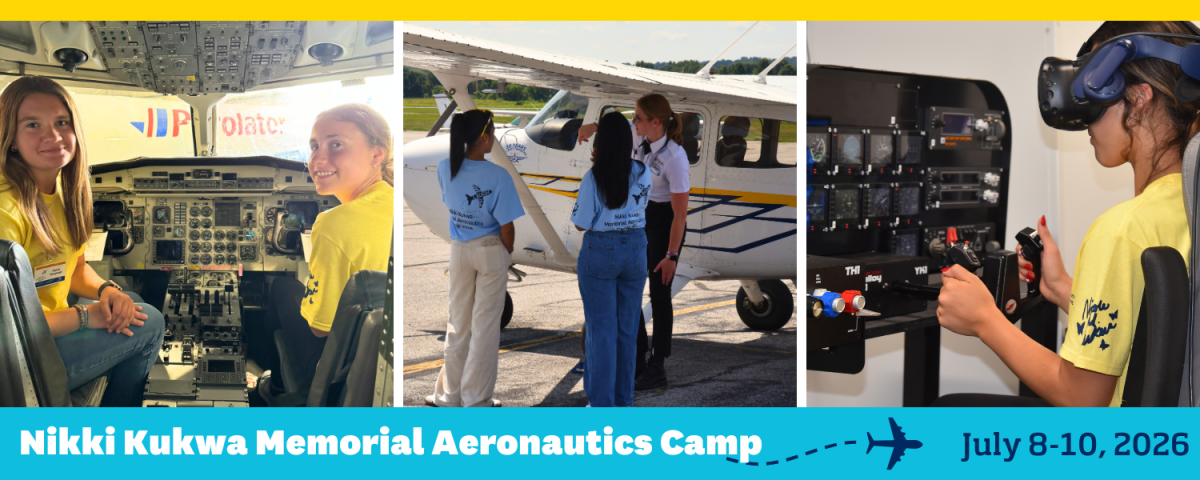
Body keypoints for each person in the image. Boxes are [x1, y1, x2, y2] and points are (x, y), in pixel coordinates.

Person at [935, 21, 1196, 407]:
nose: (1084, 122)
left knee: (947, 413)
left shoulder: (1122, 230)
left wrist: (984, 321)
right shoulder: (1189, 205)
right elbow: (1157, 330)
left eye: (1093, 100)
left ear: (1140, 98)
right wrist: (1062, 289)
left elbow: (1081, 397)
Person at [0, 75, 163, 407]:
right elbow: (10, 329)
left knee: (128, 299)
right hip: (19, 361)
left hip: (44, 329)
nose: (54, 136)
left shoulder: (64, 189)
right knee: (151, 323)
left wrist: (108, 292)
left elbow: (74, 269)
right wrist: (87, 317)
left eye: (62, 122)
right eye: (33, 124)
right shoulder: (6, 209)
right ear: (10, 138)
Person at [259, 103, 395, 403]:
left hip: (341, 372)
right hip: (376, 364)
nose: (318, 158)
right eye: (314, 146)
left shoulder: (334, 223)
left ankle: (279, 388)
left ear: (377, 154)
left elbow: (319, 328)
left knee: (282, 288)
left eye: (336, 145)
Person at [578, 94, 690, 390]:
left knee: (660, 293)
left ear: (655, 122)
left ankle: (658, 364)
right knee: (633, 292)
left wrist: (672, 255)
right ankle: (636, 358)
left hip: (666, 222)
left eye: (637, 117)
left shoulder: (676, 158)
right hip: (642, 219)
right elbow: (614, 129)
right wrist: (591, 127)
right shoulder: (637, 132)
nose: (633, 121)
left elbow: (680, 215)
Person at [426, 109, 524, 407]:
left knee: (458, 324)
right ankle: (476, 399)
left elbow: (449, 203)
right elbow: (507, 227)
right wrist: (505, 254)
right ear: (484, 137)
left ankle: (448, 395)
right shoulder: (498, 175)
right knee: (484, 328)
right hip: (490, 250)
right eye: (492, 132)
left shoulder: (445, 168)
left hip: (458, 251)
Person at [571, 111, 653, 407]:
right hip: (635, 249)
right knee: (627, 328)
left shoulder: (594, 176)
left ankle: (601, 404)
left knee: (600, 330)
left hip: (601, 251)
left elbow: (581, 222)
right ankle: (623, 401)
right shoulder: (644, 171)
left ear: (601, 142)